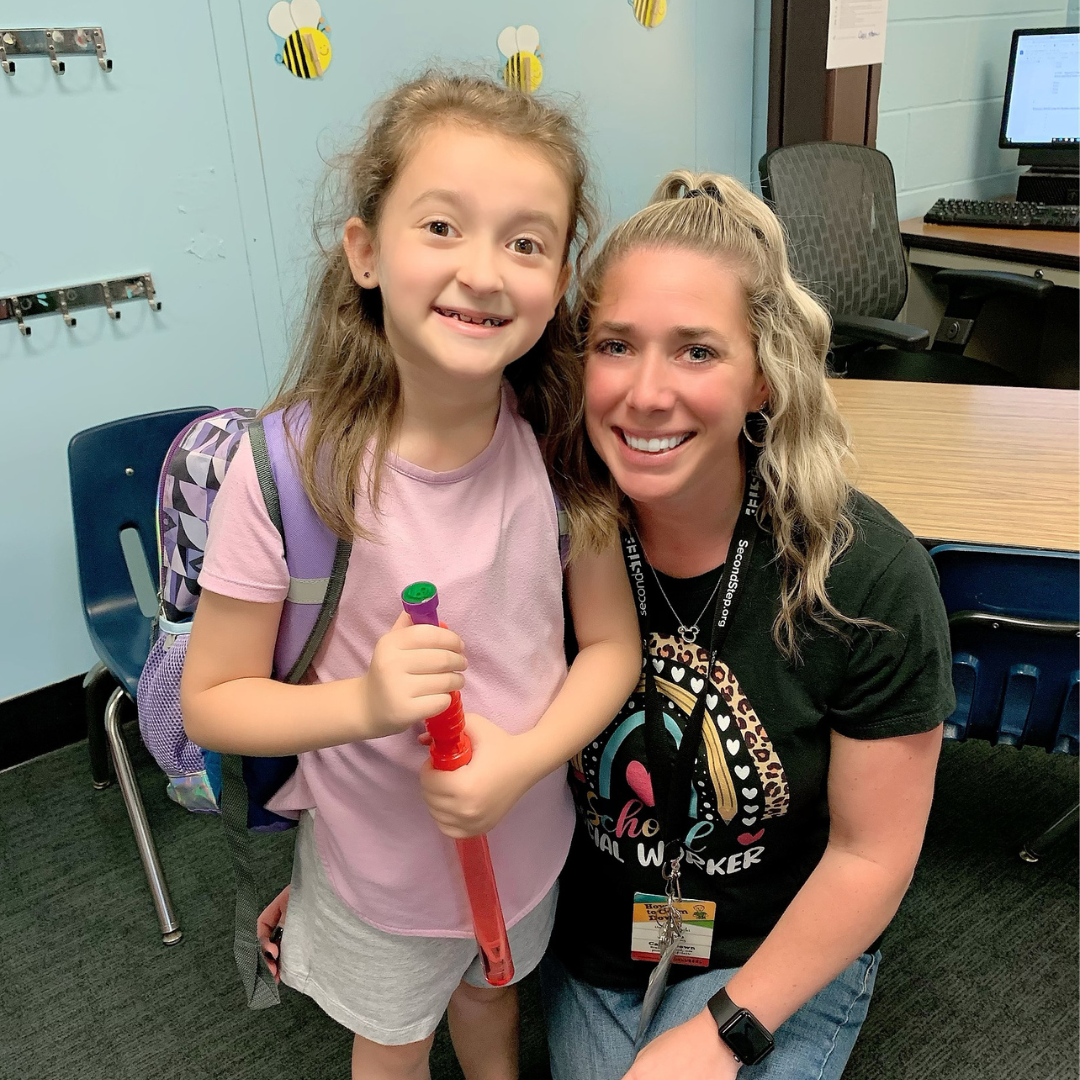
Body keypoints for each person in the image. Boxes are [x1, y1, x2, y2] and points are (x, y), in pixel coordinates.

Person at [181, 72, 640, 1080]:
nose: (484, 271)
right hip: (376, 874)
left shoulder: (561, 446)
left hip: (522, 842)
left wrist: (520, 764)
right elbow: (211, 700)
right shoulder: (285, 475)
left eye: (526, 242)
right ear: (365, 252)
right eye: (441, 225)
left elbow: (611, 649)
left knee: (492, 1001)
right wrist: (371, 700)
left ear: (560, 278)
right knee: (391, 1042)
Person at [541, 171, 955, 1080]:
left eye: (696, 352)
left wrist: (725, 1029)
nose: (646, 394)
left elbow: (872, 853)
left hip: (771, 940)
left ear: (764, 375)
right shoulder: (551, 532)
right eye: (617, 345)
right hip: (600, 934)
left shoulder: (868, 575)